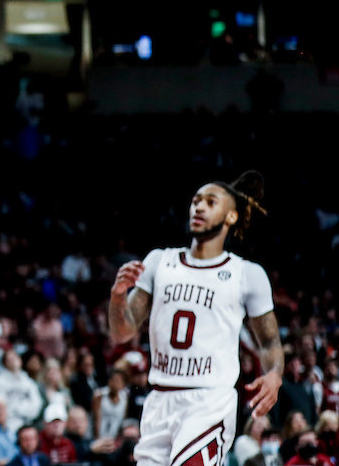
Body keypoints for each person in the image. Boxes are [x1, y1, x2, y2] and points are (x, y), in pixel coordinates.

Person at [109, 171, 283, 466]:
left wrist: (275, 375)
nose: (198, 208)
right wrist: (116, 298)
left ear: (231, 217)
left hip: (209, 401)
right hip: (160, 400)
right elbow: (121, 333)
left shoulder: (246, 274)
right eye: (195, 201)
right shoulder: (158, 261)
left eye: (210, 202)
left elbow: (268, 341)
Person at [0, 352, 40, 436]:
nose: (13, 361)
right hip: (7, 424)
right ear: (5, 363)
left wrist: (18, 409)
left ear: (20, 361)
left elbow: (36, 405)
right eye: (9, 360)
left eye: (15, 358)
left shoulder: (28, 382)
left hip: (27, 422)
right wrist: (16, 409)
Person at [92, 370, 128, 441]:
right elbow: (96, 419)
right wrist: (97, 437)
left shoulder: (124, 400)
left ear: (123, 385)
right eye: (114, 381)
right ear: (109, 381)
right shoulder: (99, 396)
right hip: (98, 437)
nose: (116, 384)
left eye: (119, 382)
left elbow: (121, 421)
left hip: (113, 439)